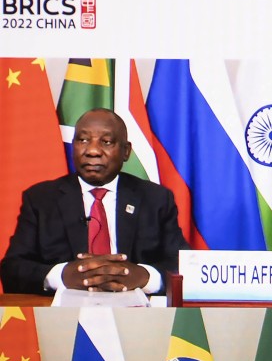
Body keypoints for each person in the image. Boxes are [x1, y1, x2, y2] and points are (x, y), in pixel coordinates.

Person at [0, 108, 187, 294]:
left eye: (106, 142)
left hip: (133, 315)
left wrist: (144, 277)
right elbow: (12, 269)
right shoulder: (41, 199)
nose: (93, 151)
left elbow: (183, 266)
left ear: (126, 151)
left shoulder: (156, 199)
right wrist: (62, 276)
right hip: (64, 316)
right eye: (83, 140)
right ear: (73, 146)